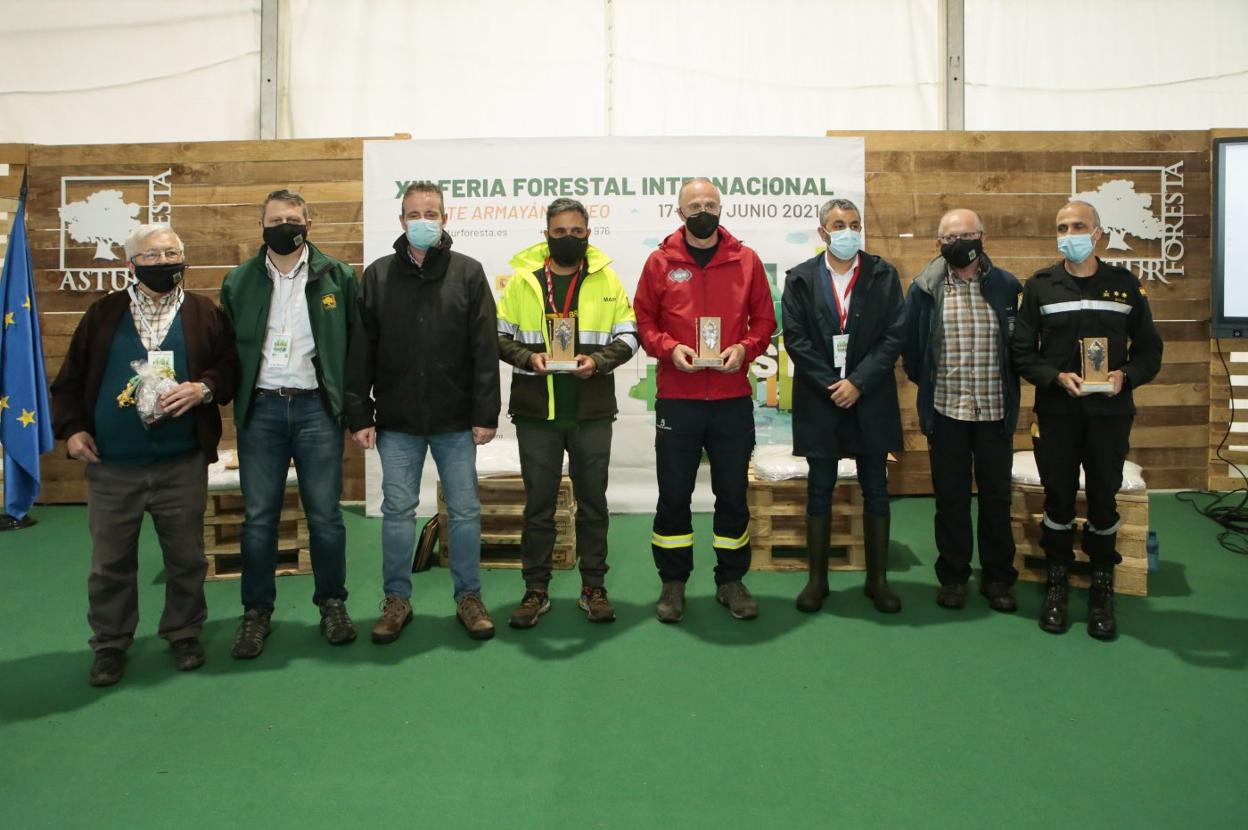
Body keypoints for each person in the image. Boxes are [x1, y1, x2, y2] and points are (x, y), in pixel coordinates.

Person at [51, 224, 237, 686]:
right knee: (110, 561)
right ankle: (111, 643)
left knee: (186, 556)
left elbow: (229, 367)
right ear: (130, 264)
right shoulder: (102, 315)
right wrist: (72, 431)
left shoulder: (203, 312)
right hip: (114, 465)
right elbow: (70, 379)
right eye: (152, 255)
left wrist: (204, 388)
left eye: (172, 252)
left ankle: (184, 631)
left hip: (181, 463)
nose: (163, 262)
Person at [346, 181, 500, 642]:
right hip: (397, 421)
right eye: (415, 214)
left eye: (431, 213)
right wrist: (360, 413)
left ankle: (469, 598)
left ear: (445, 220)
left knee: (466, 511)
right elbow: (360, 352)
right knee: (397, 512)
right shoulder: (376, 277)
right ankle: (397, 600)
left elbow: (483, 348)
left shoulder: (469, 274)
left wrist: (485, 413)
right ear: (401, 222)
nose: (423, 222)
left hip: (456, 420)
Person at [1011, 200, 1163, 640]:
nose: (1069, 233)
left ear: (1097, 233)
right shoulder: (1040, 286)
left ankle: (1102, 585)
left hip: (1109, 415)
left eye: (1078, 225)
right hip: (1057, 414)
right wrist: (1055, 376)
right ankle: (1057, 583)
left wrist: (1125, 376)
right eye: (1062, 226)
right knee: (1057, 501)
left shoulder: (1125, 285)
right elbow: (1022, 352)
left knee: (1103, 501)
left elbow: (1150, 351)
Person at [220, 189, 360, 658]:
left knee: (325, 516)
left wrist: (353, 406)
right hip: (260, 411)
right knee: (259, 519)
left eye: (293, 218)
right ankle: (256, 613)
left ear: (309, 224)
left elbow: (356, 347)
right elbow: (225, 350)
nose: (284, 225)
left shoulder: (337, 276)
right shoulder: (239, 281)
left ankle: (333, 604)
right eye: (275, 219)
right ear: (261, 225)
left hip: (316, 408)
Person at [633, 178, 776, 623]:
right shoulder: (660, 262)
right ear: (679, 213)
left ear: (721, 209)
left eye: (710, 203)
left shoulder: (745, 260)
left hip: (732, 398)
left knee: (732, 493)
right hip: (679, 397)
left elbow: (765, 320)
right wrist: (668, 349)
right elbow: (643, 319)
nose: (703, 210)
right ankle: (673, 583)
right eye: (694, 204)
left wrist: (745, 349)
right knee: (673, 494)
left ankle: (730, 580)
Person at [496, 198, 639, 628]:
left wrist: (598, 362)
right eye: (559, 232)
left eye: (577, 232)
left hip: (591, 410)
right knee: (538, 506)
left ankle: (593, 587)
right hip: (537, 411)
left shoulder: (608, 279)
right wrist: (528, 359)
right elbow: (497, 336)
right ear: (546, 235)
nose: (569, 239)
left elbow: (630, 336)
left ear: (588, 234)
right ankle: (535, 589)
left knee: (593, 503)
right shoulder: (522, 282)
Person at [782, 198, 905, 614]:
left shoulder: (884, 274)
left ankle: (878, 581)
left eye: (854, 223)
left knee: (876, 487)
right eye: (839, 224)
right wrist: (833, 384)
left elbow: (894, 335)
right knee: (820, 487)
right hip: (821, 398)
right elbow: (795, 339)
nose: (848, 231)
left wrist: (858, 382)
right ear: (822, 233)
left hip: (870, 396)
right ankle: (817, 582)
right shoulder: (799, 279)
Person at [902, 209, 1022, 612]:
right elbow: (914, 353)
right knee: (950, 499)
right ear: (938, 243)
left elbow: (1018, 347)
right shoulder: (924, 288)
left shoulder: (1006, 286)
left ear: (983, 236)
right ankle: (953, 576)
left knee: (996, 498)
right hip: (946, 410)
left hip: (994, 410)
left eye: (968, 234)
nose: (960, 242)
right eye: (951, 236)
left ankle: (998, 578)